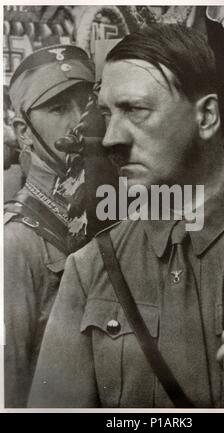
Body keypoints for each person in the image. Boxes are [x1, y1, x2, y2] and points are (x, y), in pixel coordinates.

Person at [28, 25, 224, 408]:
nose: (110, 139)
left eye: (135, 110)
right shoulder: (92, 269)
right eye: (107, 114)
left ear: (206, 117)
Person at [4, 44, 95, 407]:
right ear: (24, 132)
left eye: (86, 102)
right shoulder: (13, 244)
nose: (80, 121)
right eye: (58, 108)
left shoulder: (108, 213)